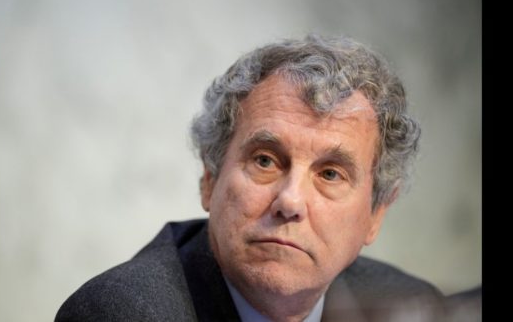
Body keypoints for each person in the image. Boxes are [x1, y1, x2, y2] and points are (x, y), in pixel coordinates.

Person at [55, 34, 445, 322]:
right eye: (265, 161)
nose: (290, 201)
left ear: (376, 213)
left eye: (330, 174)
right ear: (210, 177)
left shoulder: (410, 308)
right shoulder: (122, 313)